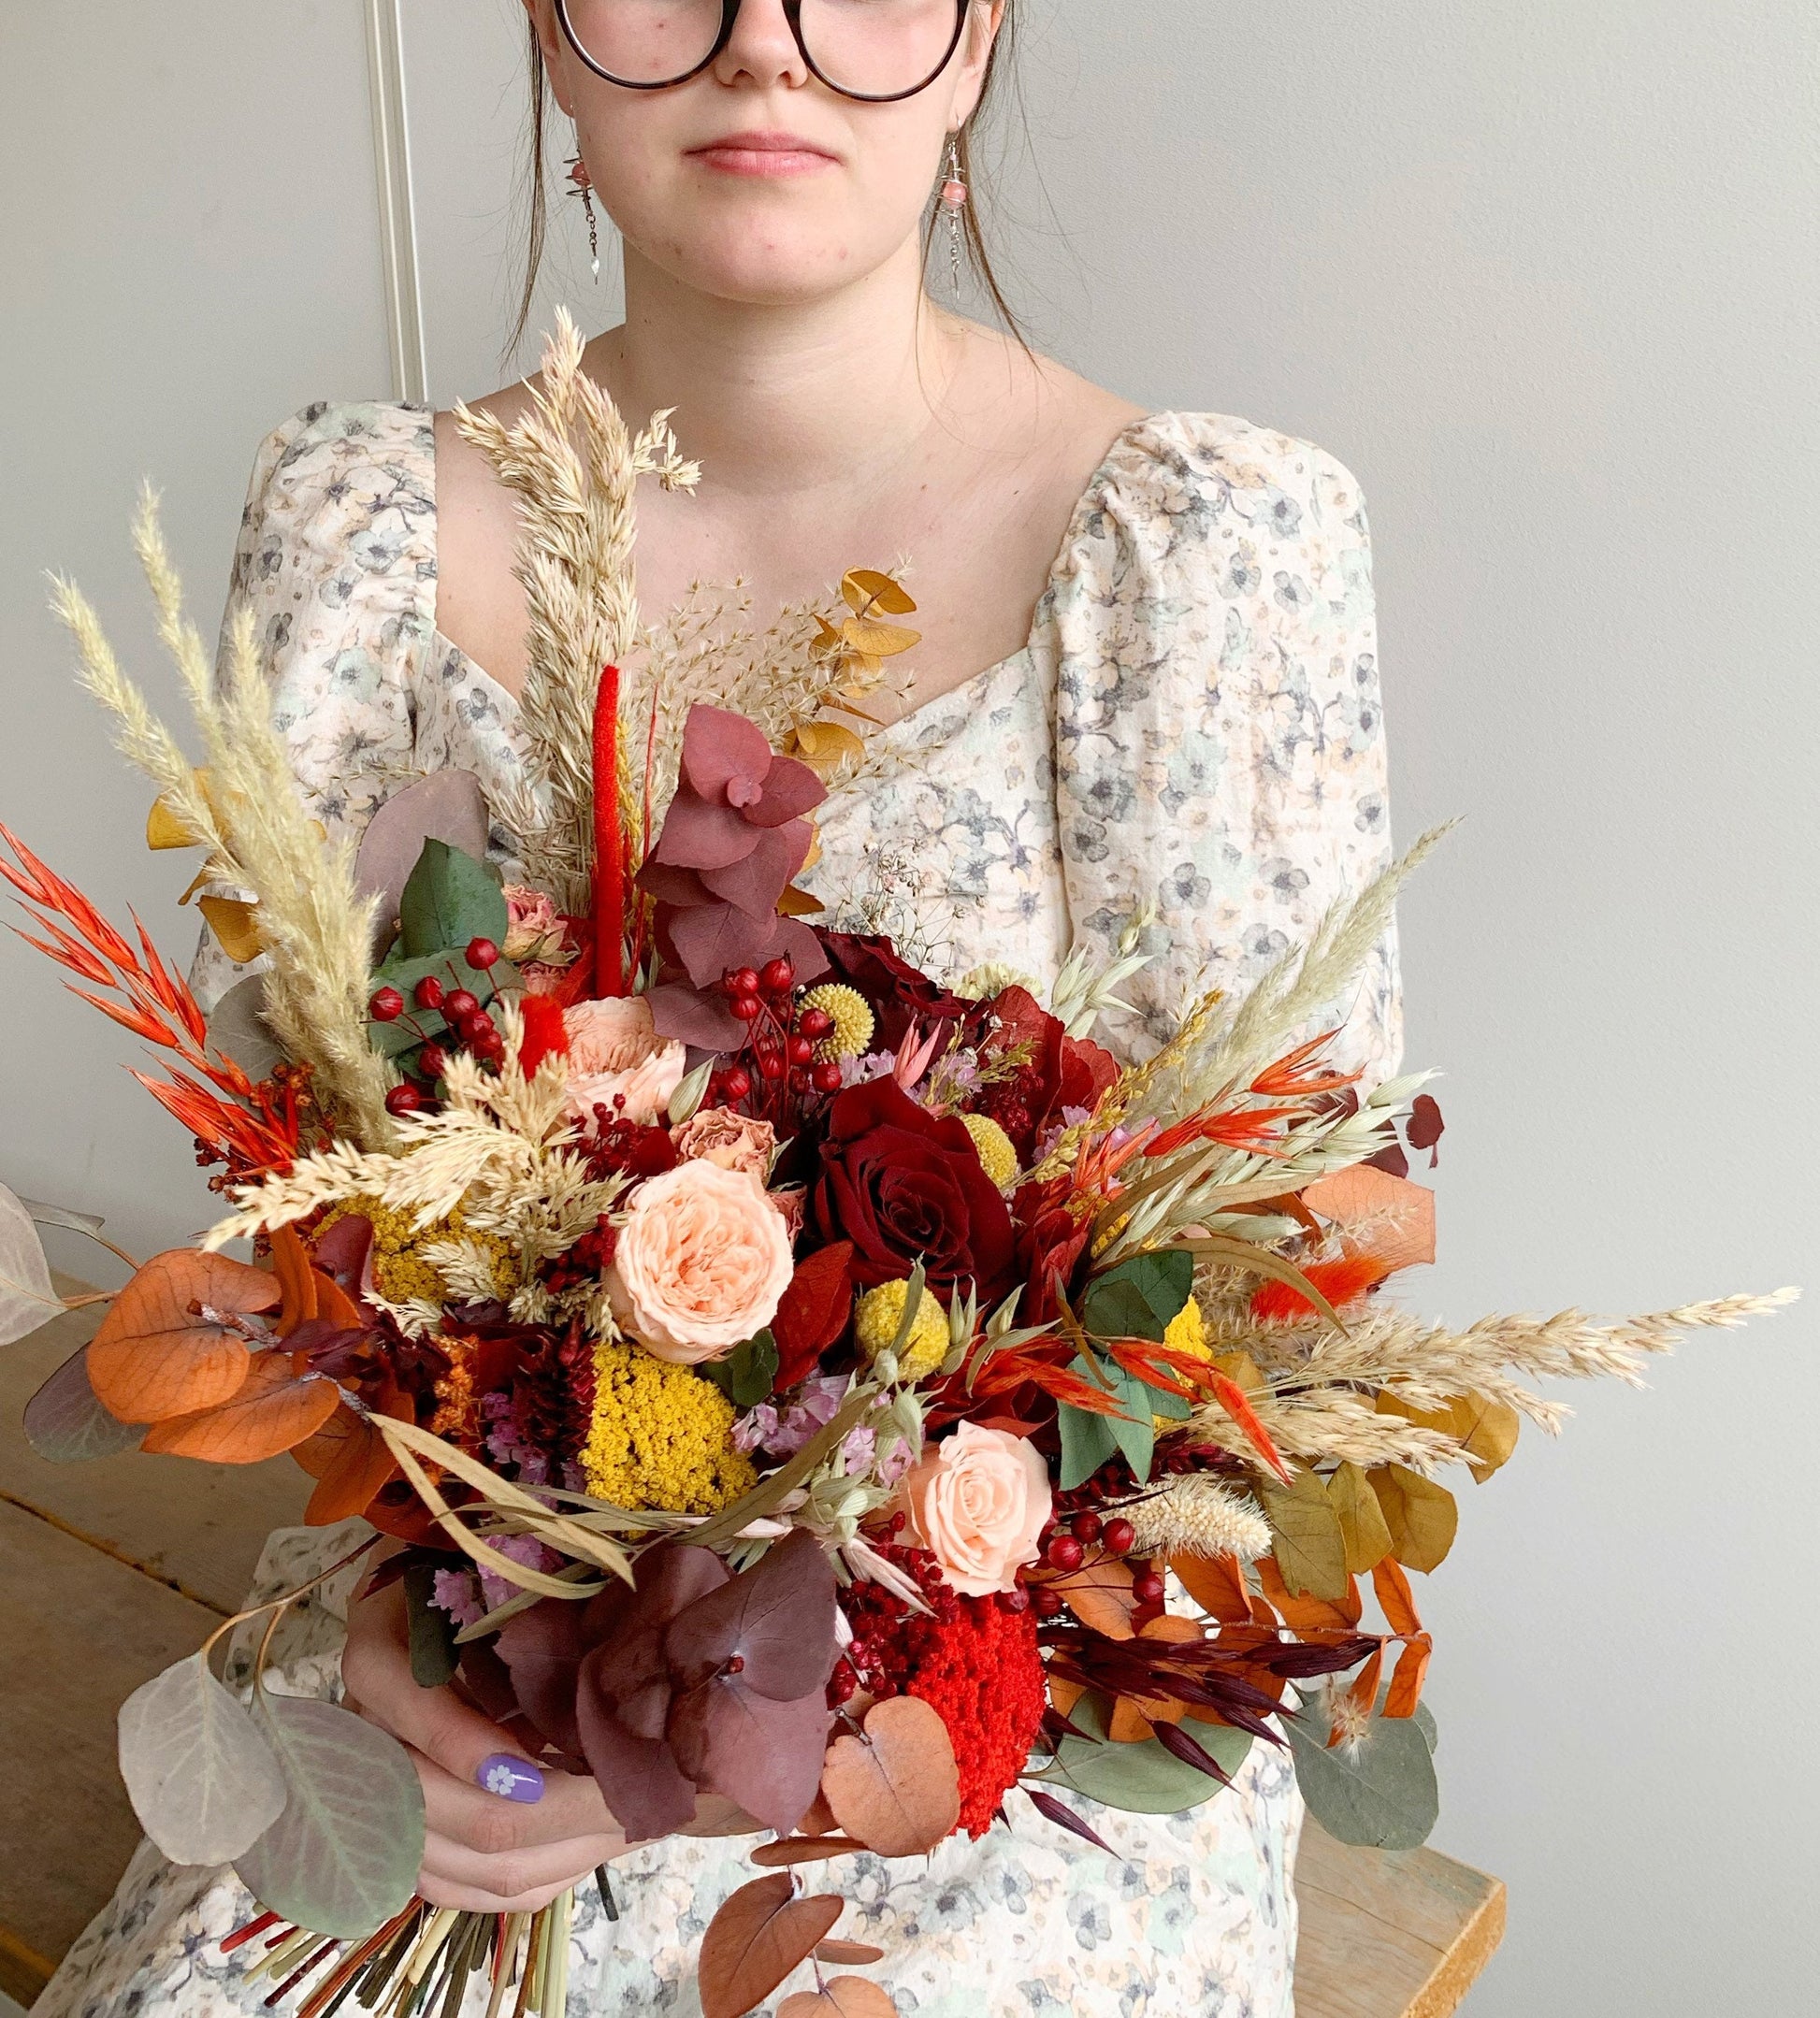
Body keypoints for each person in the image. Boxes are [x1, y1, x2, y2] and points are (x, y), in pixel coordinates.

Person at [38, 3, 1400, 2011]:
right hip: (462, 1659)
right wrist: (430, 1648)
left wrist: (790, 1685)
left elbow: (1305, 1278)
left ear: (975, 41)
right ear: (547, 41)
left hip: (1000, 1735)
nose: (764, 44)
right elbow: (309, 1238)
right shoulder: (358, 538)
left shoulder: (1202, 554)